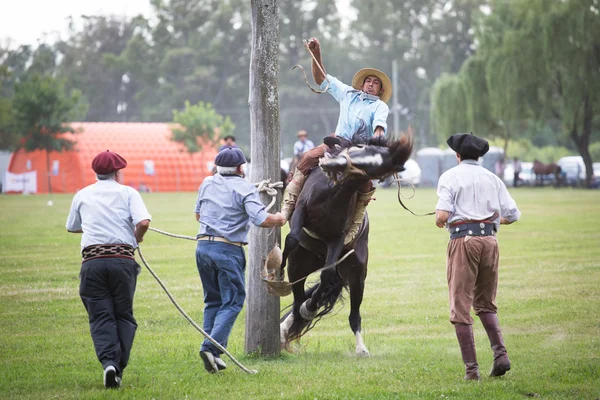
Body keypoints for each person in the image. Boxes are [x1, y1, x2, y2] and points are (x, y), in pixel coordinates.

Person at [282, 37, 391, 241]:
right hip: (336, 144)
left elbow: (379, 126)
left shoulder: (380, 107)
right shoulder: (348, 93)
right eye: (368, 80)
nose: (371, 84)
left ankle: (354, 227)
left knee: (366, 187)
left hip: (360, 152)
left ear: (380, 90)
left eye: (375, 83)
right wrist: (316, 54)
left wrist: (377, 139)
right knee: (307, 158)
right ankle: (288, 206)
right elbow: (320, 79)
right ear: (362, 83)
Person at [435, 133, 521, 380]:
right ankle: (500, 355)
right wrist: (489, 220)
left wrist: (442, 219)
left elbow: (442, 216)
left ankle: (472, 371)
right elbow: (513, 214)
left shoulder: (450, 176)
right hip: (490, 242)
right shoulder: (493, 178)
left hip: (464, 242)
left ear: (457, 155)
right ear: (479, 156)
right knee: (485, 303)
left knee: (460, 306)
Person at [194, 147, 286, 373]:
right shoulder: (245, 188)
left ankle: (214, 353)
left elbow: (198, 215)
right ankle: (210, 347)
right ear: (240, 168)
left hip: (203, 247)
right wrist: (282, 218)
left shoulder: (207, 183)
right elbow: (261, 219)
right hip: (228, 250)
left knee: (213, 301)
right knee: (233, 301)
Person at [66, 150, 151, 389]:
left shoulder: (82, 195)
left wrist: (98, 224)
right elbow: (143, 222)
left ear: (96, 172)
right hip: (122, 260)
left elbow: (72, 227)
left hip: (92, 263)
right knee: (123, 315)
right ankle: (118, 368)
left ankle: (108, 364)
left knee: (100, 316)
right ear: (118, 172)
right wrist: (137, 238)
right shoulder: (128, 193)